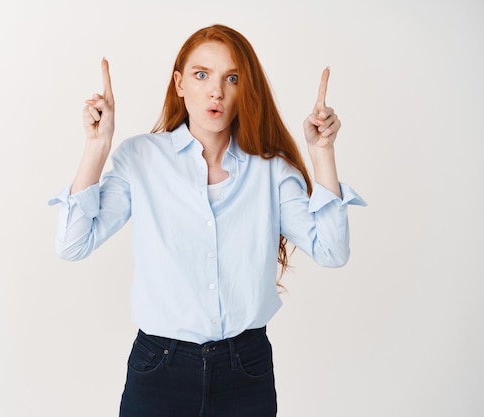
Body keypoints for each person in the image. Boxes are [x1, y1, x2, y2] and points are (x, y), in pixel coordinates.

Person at [49, 24, 365, 417]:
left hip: (245, 370)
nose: (216, 91)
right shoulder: (141, 158)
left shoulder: (270, 171)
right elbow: (72, 244)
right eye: (202, 75)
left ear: (244, 89)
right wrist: (97, 146)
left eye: (231, 78)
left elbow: (332, 252)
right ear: (179, 84)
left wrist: (322, 155)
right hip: (159, 368)